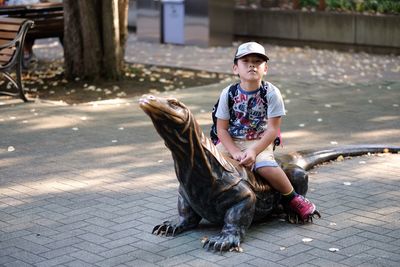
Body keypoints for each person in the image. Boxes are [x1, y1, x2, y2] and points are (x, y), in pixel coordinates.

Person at [214, 41, 318, 221]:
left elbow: (273, 130)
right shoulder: (228, 93)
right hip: (232, 141)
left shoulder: (271, 93)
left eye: (257, 61)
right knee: (210, 162)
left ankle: (293, 198)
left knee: (265, 167)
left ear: (265, 69)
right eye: (245, 61)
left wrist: (253, 151)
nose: (252, 65)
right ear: (235, 69)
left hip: (260, 141)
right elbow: (221, 129)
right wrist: (235, 152)